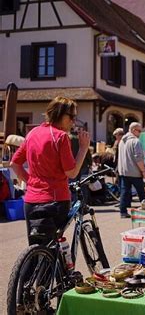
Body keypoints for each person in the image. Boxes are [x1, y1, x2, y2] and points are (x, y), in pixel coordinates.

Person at [11, 96, 90, 245]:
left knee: (37, 248)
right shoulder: (61, 136)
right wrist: (83, 148)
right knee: (53, 247)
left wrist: (31, 182)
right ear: (60, 114)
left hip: (31, 200)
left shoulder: (33, 133)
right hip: (55, 199)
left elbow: (15, 163)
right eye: (71, 116)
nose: (73, 120)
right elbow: (71, 173)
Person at [117, 122, 145, 218]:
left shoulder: (122, 140)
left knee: (124, 192)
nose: (140, 133)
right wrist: (143, 171)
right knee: (141, 193)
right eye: (139, 131)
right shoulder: (136, 141)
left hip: (123, 171)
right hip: (134, 172)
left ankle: (123, 212)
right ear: (133, 130)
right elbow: (138, 158)